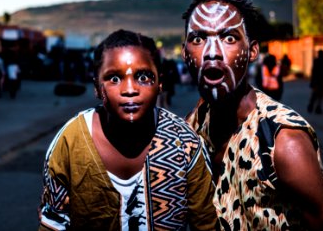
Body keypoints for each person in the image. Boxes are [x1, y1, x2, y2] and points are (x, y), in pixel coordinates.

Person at [181, 0, 323, 230]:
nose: (211, 51)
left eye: (229, 38)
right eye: (198, 39)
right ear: (185, 52)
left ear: (252, 51)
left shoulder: (282, 141)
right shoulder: (193, 126)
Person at [38, 29, 216, 230]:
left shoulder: (184, 142)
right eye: (114, 78)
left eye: (143, 77)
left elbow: (206, 223)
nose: (130, 89)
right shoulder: (70, 142)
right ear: (97, 87)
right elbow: (53, 223)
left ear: (160, 84)